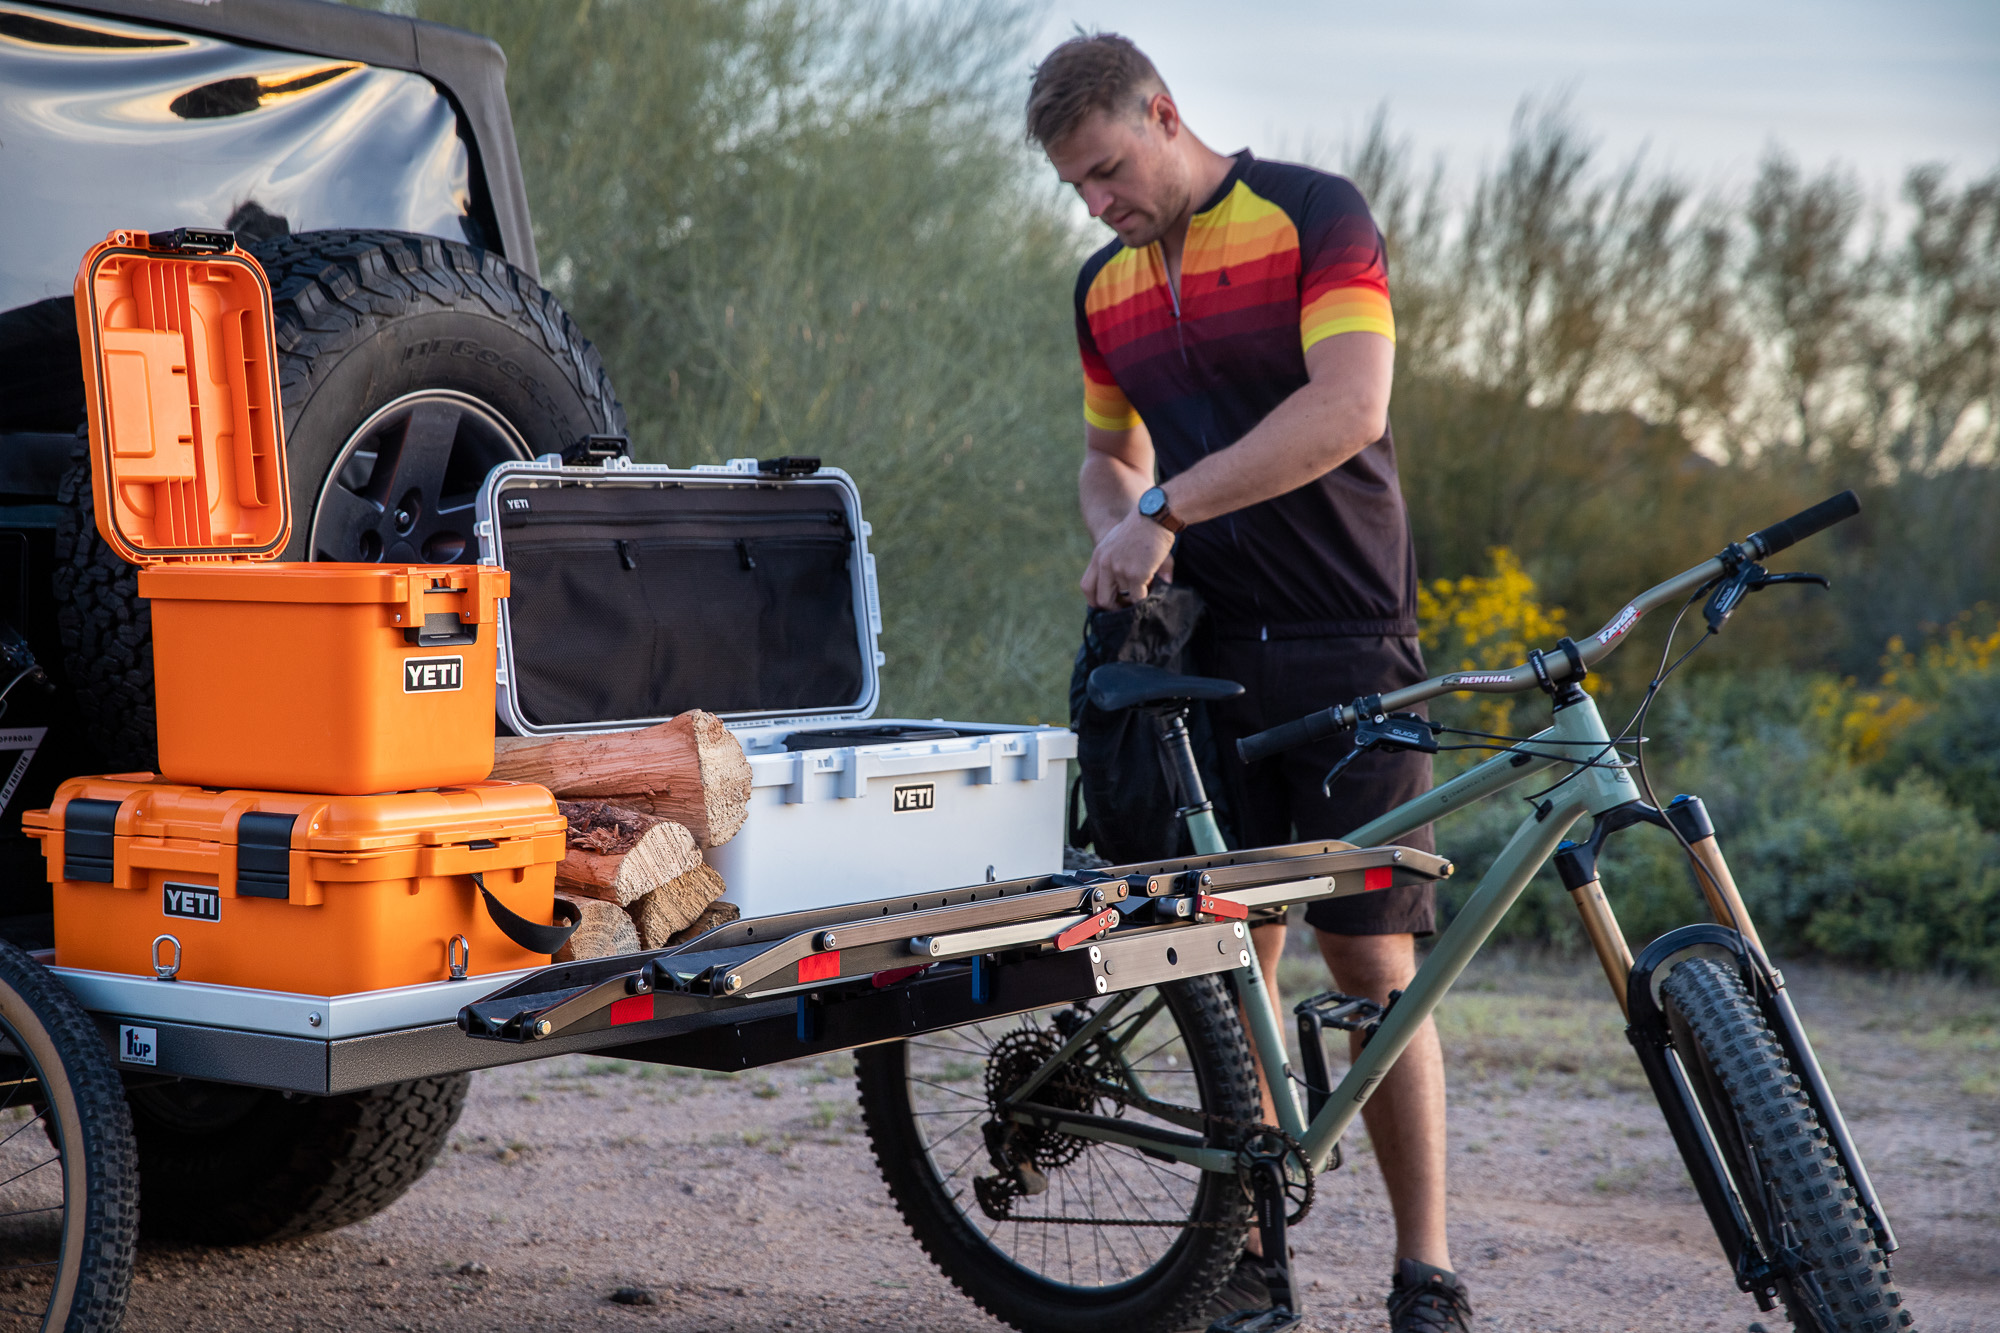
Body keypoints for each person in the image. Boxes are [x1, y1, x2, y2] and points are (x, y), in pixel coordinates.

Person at [1029, 34, 1473, 1333]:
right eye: (1076, 189)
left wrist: (1160, 503)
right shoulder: (1100, 286)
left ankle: (1425, 1270)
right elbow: (1107, 456)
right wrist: (1122, 517)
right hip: (1204, 656)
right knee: (1230, 959)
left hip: (1348, 635)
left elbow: (1348, 407)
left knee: (1372, 956)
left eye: (1107, 170)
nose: (1097, 204)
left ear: (1163, 113)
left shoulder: (1313, 213)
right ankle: (1251, 1256)